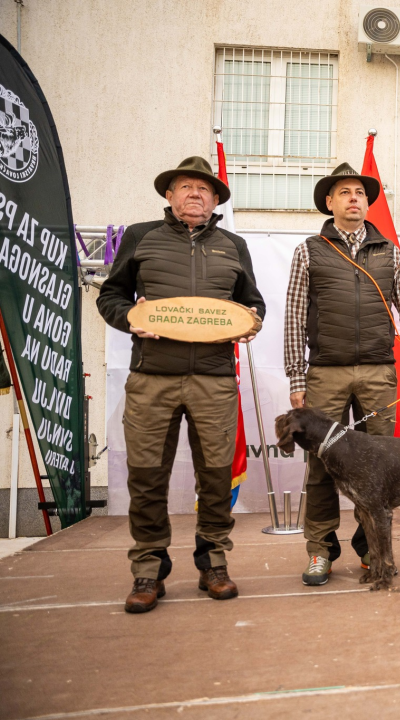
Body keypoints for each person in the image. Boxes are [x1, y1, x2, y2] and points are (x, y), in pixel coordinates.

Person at [97, 156, 265, 613]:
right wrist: (132, 319)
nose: (195, 194)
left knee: (214, 477)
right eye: (185, 187)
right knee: (147, 477)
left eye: (204, 189)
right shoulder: (141, 236)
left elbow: (252, 304)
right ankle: (148, 569)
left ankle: (213, 561)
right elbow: (111, 295)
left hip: (213, 378)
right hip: (152, 377)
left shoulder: (233, 245)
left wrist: (251, 322)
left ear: (216, 201)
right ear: (169, 196)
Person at [284, 163, 400, 586]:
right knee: (321, 468)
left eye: (360, 193)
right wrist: (297, 378)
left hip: (378, 371)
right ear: (329, 202)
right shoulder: (308, 250)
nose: (354, 198)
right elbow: (294, 317)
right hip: (325, 373)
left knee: (379, 466)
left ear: (368, 203)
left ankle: (372, 550)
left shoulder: (388, 251)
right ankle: (320, 552)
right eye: (344, 192)